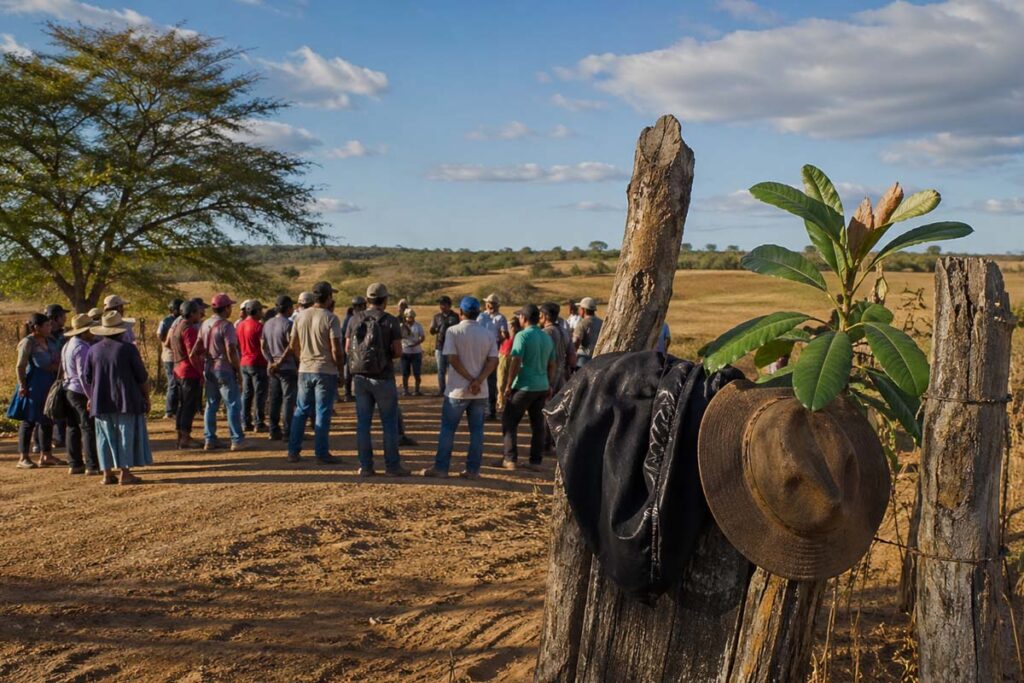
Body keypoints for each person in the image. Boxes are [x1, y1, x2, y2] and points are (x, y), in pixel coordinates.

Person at [421, 297, 499, 480]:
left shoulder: (453, 331)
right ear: (478, 313)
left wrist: (470, 379)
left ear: (461, 313)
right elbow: (493, 360)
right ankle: (473, 470)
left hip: (457, 390)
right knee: (477, 431)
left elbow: (452, 359)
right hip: (480, 392)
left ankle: (441, 467)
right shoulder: (487, 333)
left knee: (448, 429)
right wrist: (478, 380)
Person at [347, 282, 409, 477]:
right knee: (389, 423)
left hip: (360, 377)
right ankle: (392, 466)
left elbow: (348, 347)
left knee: (363, 423)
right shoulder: (390, 321)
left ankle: (365, 466)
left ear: (367, 300)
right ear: (385, 300)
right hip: (383, 377)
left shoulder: (354, 319)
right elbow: (398, 351)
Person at [84, 311, 152, 485]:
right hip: (126, 398)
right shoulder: (128, 349)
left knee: (104, 437)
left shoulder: (93, 349)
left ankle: (107, 474)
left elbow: (87, 377)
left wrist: (92, 396)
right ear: (121, 330)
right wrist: (146, 396)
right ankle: (125, 473)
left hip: (100, 399)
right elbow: (141, 376)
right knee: (125, 434)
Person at [287, 281, 344, 464]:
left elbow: (293, 345)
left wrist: (302, 359)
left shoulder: (300, 317)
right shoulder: (331, 318)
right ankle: (321, 453)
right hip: (325, 370)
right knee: (322, 411)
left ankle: (293, 451)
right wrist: (340, 370)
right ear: (328, 297)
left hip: (305, 368)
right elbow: (336, 349)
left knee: (301, 410)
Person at [498, 304, 555, 471]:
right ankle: (535, 461)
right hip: (542, 385)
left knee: (509, 421)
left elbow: (515, 361)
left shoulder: (522, 336)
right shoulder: (546, 337)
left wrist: (508, 385)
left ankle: (510, 459)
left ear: (524, 318)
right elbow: (552, 364)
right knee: (537, 425)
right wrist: (550, 384)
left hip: (523, 385)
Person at [8, 313, 62, 469]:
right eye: (46, 325)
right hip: (33, 384)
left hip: (49, 382)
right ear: (36, 327)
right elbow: (20, 366)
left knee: (47, 418)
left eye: (50, 325)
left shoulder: (50, 340)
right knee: (29, 420)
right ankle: (23, 457)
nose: (49, 328)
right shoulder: (27, 343)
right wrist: (23, 386)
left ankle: (46, 455)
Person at [201, 293, 246, 451]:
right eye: (230, 307)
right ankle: (236, 440)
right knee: (233, 404)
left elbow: (197, 349)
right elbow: (231, 349)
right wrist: (238, 369)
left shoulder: (205, 324)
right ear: (225, 308)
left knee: (211, 404)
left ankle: (209, 439)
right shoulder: (226, 325)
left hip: (208, 367)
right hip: (224, 368)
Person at [62, 314, 101, 475]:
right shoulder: (82, 348)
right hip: (80, 392)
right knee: (88, 428)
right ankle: (92, 465)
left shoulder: (68, 344)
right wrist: (91, 396)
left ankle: (75, 463)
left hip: (69, 389)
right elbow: (84, 376)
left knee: (72, 427)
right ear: (84, 331)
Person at [169, 299, 207, 449]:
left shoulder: (178, 326)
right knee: (188, 406)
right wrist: (200, 372)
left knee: (182, 405)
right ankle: (185, 437)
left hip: (178, 369)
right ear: (192, 314)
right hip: (188, 371)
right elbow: (192, 354)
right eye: (198, 312)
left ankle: (181, 436)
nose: (200, 314)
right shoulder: (189, 329)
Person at [262, 295, 297, 442]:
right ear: (288, 308)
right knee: (288, 400)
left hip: (273, 368)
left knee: (275, 399)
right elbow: (291, 346)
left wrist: (271, 361)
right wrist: (280, 361)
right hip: (287, 367)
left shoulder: (268, 323)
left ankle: (273, 430)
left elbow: (263, 346)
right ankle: (287, 432)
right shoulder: (288, 324)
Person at [237, 299, 269, 433]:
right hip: (257, 362)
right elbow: (264, 346)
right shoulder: (259, 326)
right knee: (260, 393)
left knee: (247, 393)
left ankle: (245, 421)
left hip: (244, 361)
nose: (262, 312)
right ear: (256, 311)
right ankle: (259, 422)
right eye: (260, 310)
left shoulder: (240, 325)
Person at [477, 293, 509, 420]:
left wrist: (493, 340)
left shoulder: (501, 317)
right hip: (481, 348)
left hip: (492, 348)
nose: (488, 305)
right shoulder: (482, 316)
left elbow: (504, 335)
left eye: (490, 303)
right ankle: (480, 409)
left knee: (490, 381)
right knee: (480, 378)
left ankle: (490, 410)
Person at [43, 303, 69, 450]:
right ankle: (43, 441)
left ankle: (59, 437)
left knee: (59, 403)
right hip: (47, 374)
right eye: (62, 315)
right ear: (55, 318)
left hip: (61, 373)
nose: (65, 318)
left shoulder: (64, 334)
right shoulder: (44, 336)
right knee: (46, 405)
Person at [157, 298, 184, 419]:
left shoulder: (180, 320)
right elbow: (160, 335)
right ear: (174, 309)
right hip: (169, 356)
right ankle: (168, 411)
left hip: (177, 355)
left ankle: (175, 410)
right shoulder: (166, 321)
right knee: (172, 383)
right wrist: (168, 343)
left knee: (178, 383)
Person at [429, 295, 460, 396]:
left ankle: (451, 390)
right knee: (440, 370)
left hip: (452, 346)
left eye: (443, 304)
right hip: (440, 346)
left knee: (452, 369)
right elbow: (431, 331)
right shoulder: (436, 317)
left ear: (449, 305)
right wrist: (435, 328)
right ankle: (442, 390)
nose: (441, 306)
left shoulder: (455, 317)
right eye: (440, 304)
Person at [340, 296, 366, 402]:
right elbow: (345, 335)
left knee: (351, 372)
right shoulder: (352, 319)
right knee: (351, 373)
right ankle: (349, 393)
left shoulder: (350, 318)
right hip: (353, 349)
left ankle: (350, 393)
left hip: (350, 349)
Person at [495, 316, 521, 414]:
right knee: (501, 382)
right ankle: (501, 403)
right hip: (503, 357)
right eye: (509, 326)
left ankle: (507, 404)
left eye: (512, 326)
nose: (510, 328)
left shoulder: (518, 336)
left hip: (511, 358)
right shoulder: (505, 336)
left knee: (510, 382)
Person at [572, 297, 603, 368]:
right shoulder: (601, 322)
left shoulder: (582, 323)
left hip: (583, 359)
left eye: (580, 308)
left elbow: (576, 340)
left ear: (583, 310)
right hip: (598, 358)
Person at [400, 309, 425, 395]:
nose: (410, 319)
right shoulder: (401, 326)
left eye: (412, 317)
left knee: (417, 373)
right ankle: (405, 390)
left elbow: (422, 337)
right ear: (405, 317)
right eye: (409, 317)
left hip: (416, 352)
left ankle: (417, 390)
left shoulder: (418, 326)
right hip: (405, 351)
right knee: (405, 373)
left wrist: (416, 343)